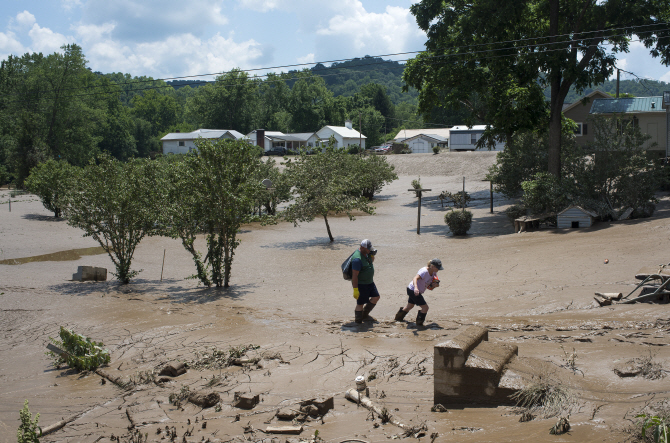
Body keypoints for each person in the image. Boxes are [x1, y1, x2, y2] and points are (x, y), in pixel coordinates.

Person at [395, 258, 444, 326]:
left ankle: (398, 319)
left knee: (410, 306)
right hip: (413, 290)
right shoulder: (424, 272)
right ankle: (419, 324)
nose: (438, 269)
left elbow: (435, 282)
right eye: (437, 268)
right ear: (432, 266)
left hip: (414, 290)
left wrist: (436, 285)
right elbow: (415, 278)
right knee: (425, 308)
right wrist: (416, 288)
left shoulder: (434, 272)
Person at [351, 239, 379, 324]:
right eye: (368, 249)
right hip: (361, 284)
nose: (369, 250)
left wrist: (371, 255)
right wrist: (355, 289)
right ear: (362, 247)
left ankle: (365, 315)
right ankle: (358, 322)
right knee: (360, 303)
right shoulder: (357, 259)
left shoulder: (367, 253)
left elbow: (371, 263)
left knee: (376, 297)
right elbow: (354, 275)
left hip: (370, 282)